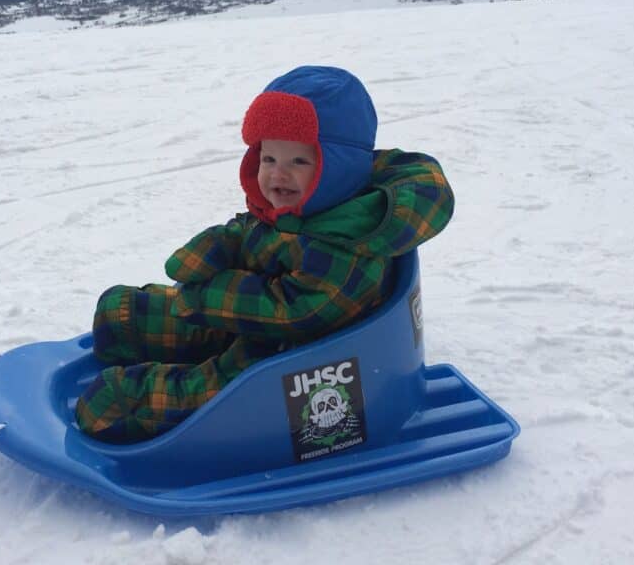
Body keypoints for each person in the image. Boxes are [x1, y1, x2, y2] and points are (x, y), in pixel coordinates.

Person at [75, 66, 454, 443]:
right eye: (269, 159)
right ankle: (126, 328)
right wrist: (221, 245)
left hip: (295, 358)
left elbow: (293, 312)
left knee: (197, 391)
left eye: (299, 162)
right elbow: (256, 233)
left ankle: (130, 407)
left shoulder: (346, 242)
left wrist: (203, 296)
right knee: (122, 313)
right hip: (259, 326)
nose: (277, 175)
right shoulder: (311, 207)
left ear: (340, 167)